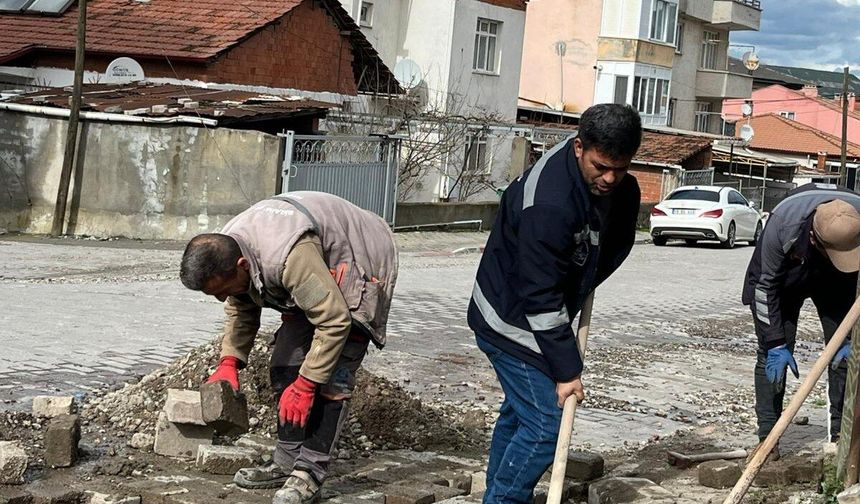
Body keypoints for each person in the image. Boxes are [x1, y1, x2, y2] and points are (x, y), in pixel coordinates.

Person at [467, 103, 643, 503]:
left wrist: (586, 274)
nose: (610, 178)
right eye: (601, 167)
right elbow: (541, 297)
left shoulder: (612, 184)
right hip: (509, 319)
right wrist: (567, 370)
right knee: (546, 424)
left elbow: (614, 242)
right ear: (579, 147)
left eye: (620, 168)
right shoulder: (549, 203)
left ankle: (497, 496)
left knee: (520, 412)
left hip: (543, 307)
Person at [179, 192, 398, 504]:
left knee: (331, 377)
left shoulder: (286, 257)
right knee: (285, 364)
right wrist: (229, 361)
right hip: (313, 265)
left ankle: (309, 473)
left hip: (359, 255)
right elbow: (240, 304)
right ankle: (285, 463)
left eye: (221, 291)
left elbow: (334, 321)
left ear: (242, 265)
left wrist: (307, 385)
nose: (221, 298)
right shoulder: (228, 245)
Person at [743, 183, 860, 460]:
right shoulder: (783, 226)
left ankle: (841, 437)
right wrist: (775, 342)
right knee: (772, 354)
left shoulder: (855, 223)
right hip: (786, 277)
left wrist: (854, 337)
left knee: (847, 355)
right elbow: (764, 287)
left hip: (838, 281)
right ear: (814, 238)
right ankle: (768, 439)